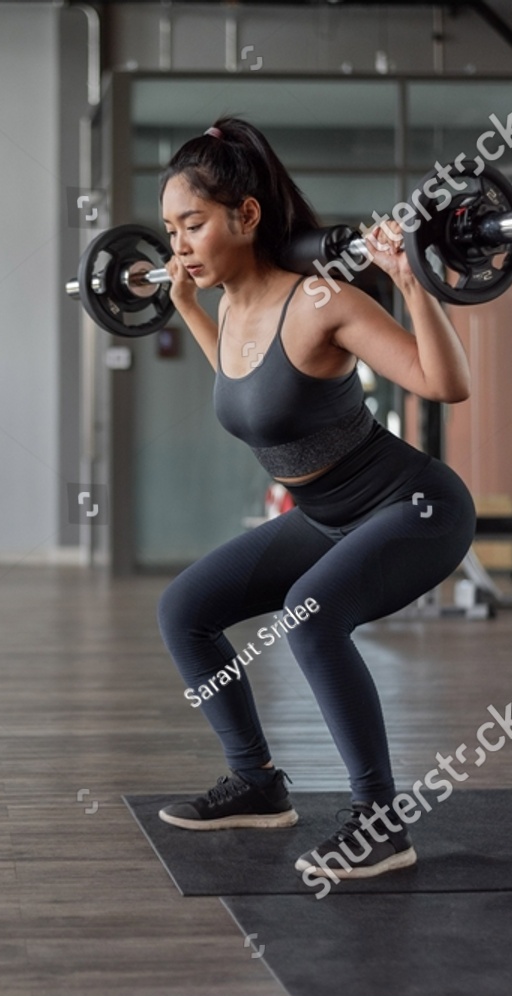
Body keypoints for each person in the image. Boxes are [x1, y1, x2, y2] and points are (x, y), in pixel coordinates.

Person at [155, 116, 477, 882]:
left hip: (414, 507)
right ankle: (258, 782)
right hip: (328, 517)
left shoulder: (321, 302)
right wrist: (191, 313)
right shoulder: (229, 302)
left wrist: (412, 282)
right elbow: (249, 393)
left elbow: (447, 386)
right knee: (185, 611)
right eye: (170, 229)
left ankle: (380, 821)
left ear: (248, 216)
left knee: (310, 616)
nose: (179, 246)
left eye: (193, 225)